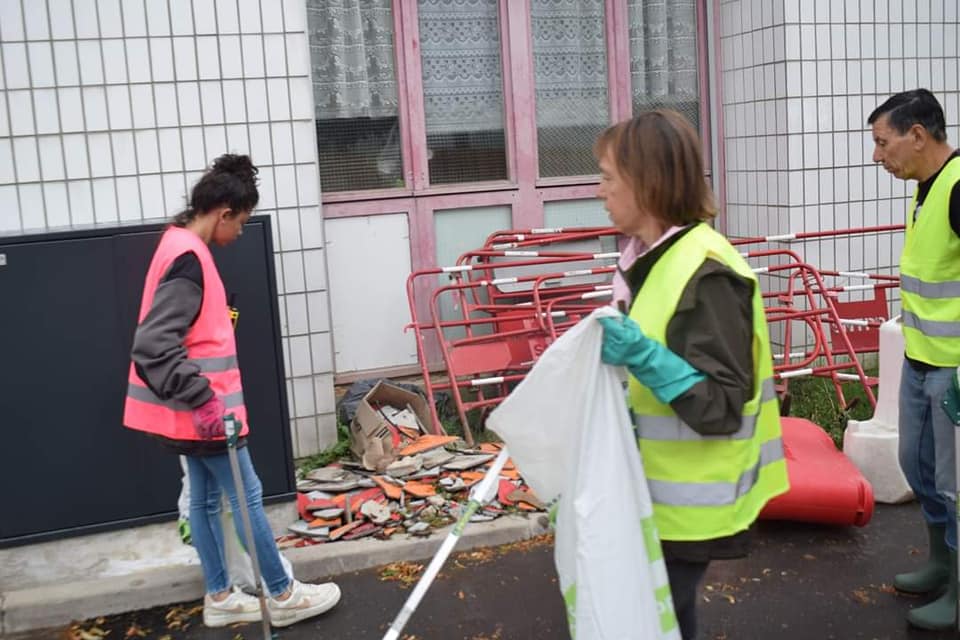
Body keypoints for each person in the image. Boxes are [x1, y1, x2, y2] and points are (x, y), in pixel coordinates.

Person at [122, 154, 341, 629]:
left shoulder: (173, 243)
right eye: (240, 222)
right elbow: (152, 343)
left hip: (187, 415)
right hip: (205, 414)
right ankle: (282, 594)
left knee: (203, 501)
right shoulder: (189, 260)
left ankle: (220, 595)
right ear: (223, 212)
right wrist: (203, 399)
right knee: (247, 496)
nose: (240, 232)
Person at [594, 110, 789, 639]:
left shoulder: (707, 272)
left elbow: (721, 406)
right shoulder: (648, 257)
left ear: (646, 182)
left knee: (659, 621)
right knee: (664, 620)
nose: (601, 191)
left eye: (609, 177)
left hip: (689, 506)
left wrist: (642, 356)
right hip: (654, 496)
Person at [868, 88, 960, 631]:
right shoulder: (926, 188)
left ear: (918, 135)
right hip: (921, 361)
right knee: (917, 465)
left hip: (953, 371)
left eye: (883, 143)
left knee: (954, 482)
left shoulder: (957, 189)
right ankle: (940, 563)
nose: (878, 156)